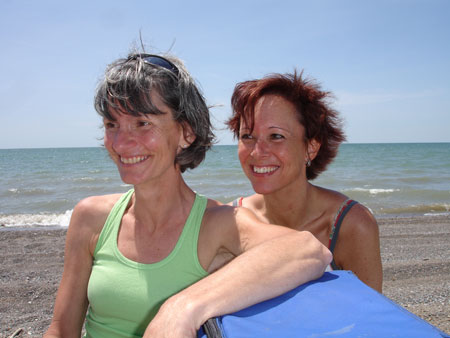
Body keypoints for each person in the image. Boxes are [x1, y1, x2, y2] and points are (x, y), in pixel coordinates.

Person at [44, 54, 331, 338]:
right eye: (111, 125)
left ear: (186, 133)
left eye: (142, 123)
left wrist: (181, 308)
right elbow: (61, 329)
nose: (121, 142)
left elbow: (308, 250)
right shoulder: (91, 217)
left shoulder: (218, 224)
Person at [227, 72, 382, 292]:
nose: (258, 151)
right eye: (247, 136)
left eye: (276, 136)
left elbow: (370, 318)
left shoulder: (350, 225)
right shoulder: (230, 222)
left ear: (311, 147)